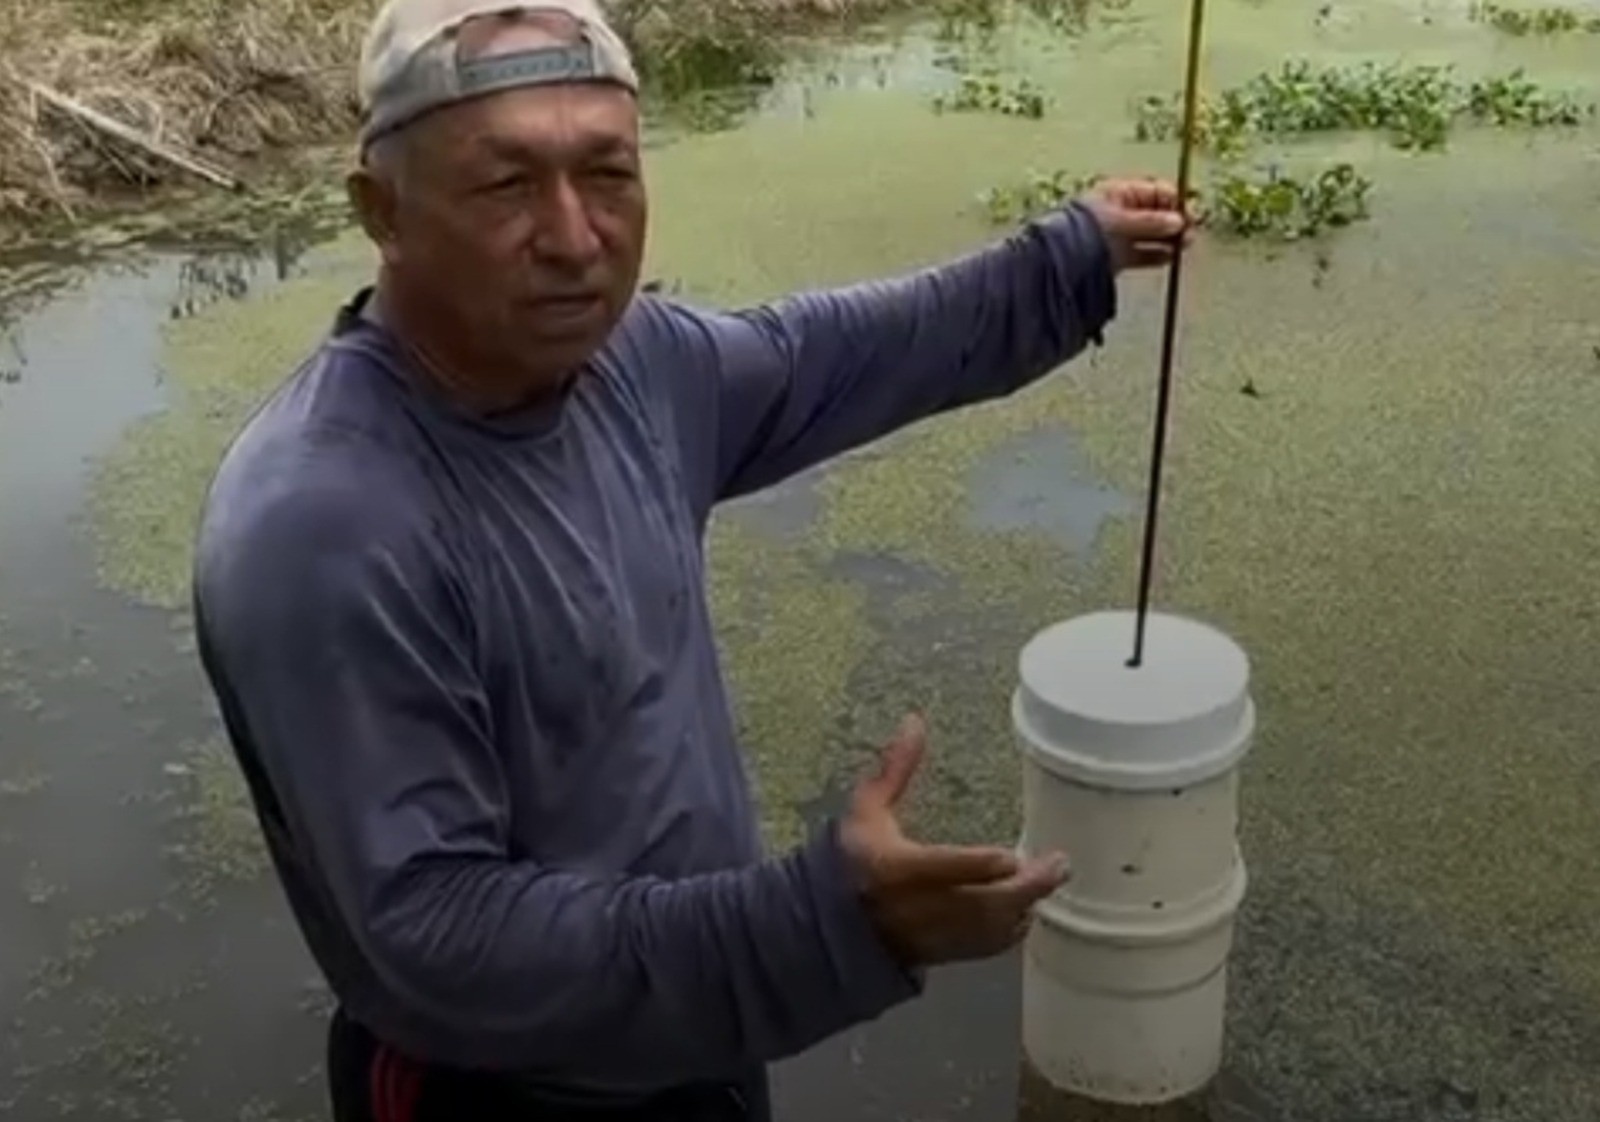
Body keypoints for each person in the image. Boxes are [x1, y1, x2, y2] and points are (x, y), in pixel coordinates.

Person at [190, 1, 1191, 1119]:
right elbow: (437, 941)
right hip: (502, 1094)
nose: (574, 237)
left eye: (607, 174)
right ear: (381, 210)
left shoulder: (631, 368)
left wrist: (1069, 259)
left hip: (695, 1042)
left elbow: (838, 352)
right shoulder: (325, 524)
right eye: (505, 184)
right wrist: (828, 927)